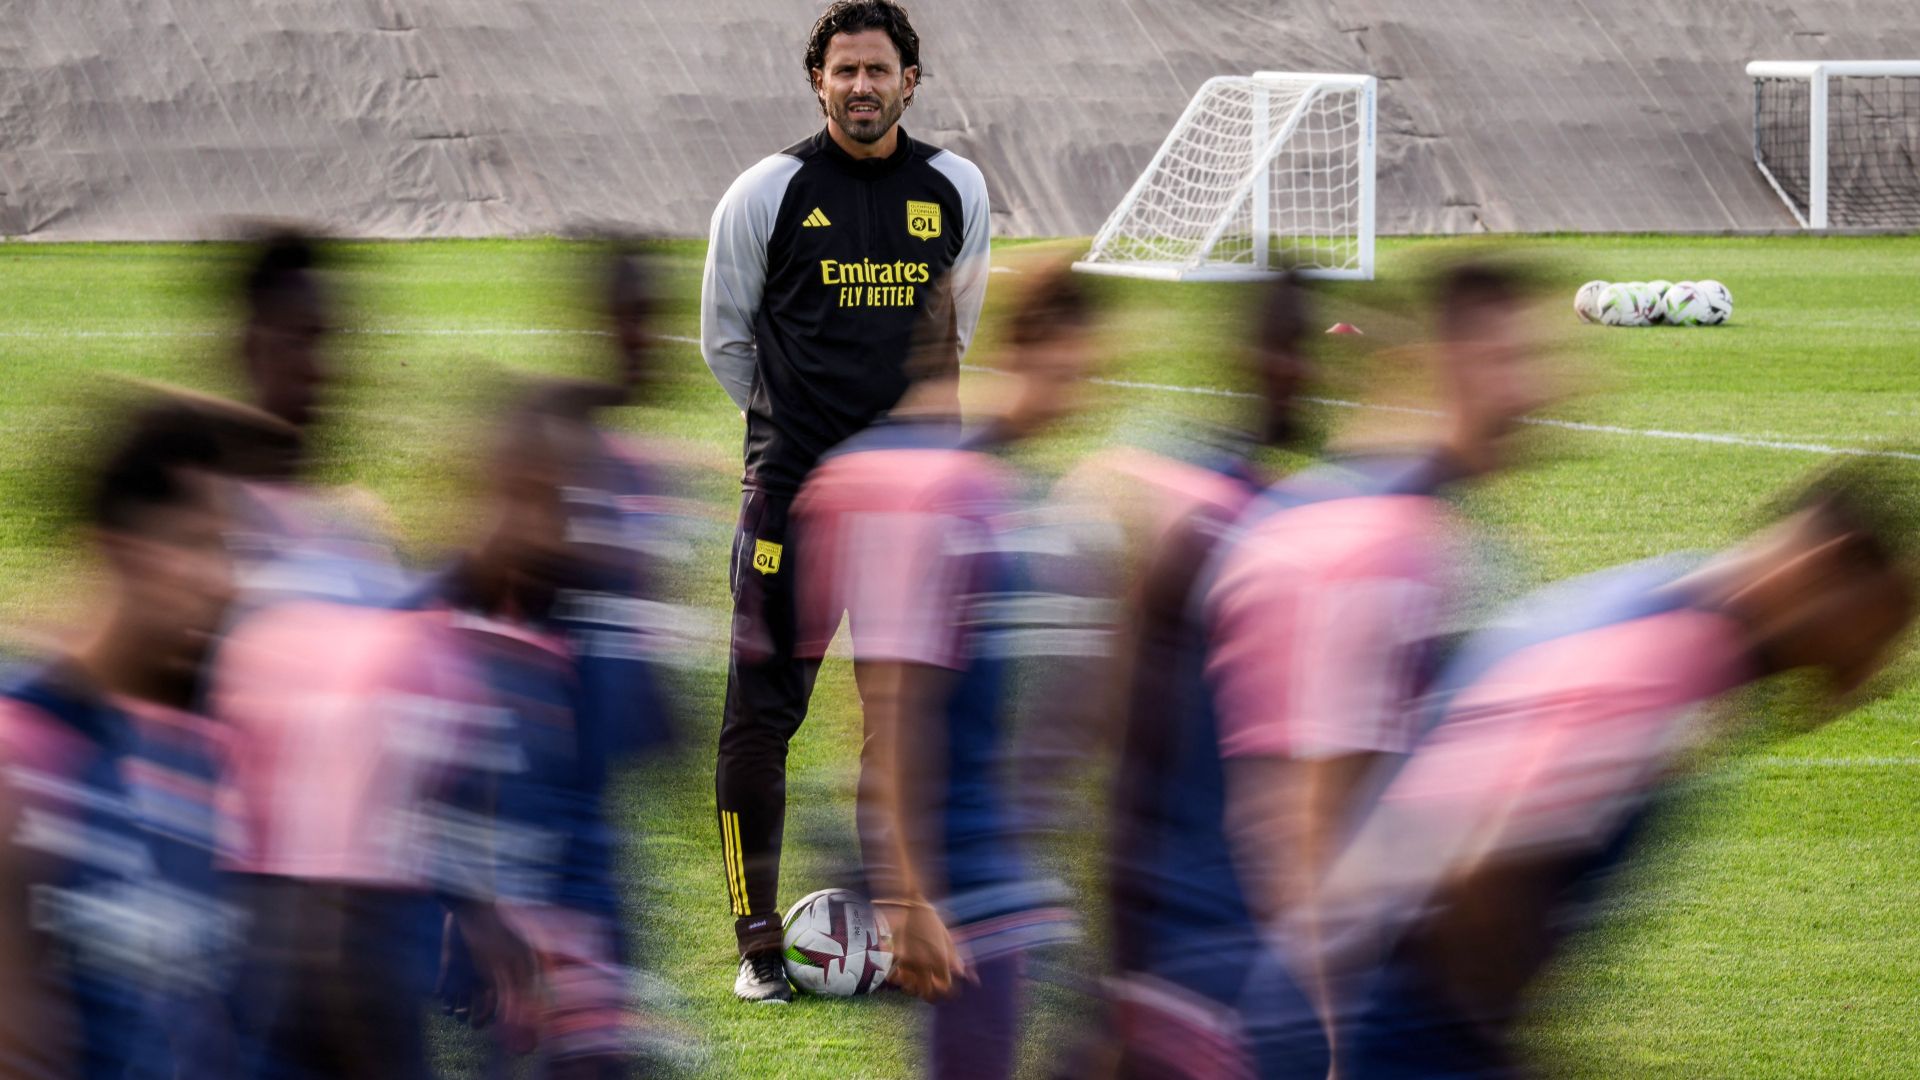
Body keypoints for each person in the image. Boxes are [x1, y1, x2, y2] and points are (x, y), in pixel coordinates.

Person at [1313, 472, 1916, 1078]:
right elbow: (1475, 880)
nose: (1870, 676)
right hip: (1407, 1039)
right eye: (1881, 628)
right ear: (1827, 566)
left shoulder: (1657, 596)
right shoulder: (1669, 661)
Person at [699, 0, 992, 1001]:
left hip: (916, 516)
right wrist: (801, 439)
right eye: (843, 72)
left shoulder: (955, 189)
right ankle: (756, 944)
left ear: (913, 79)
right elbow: (727, 342)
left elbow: (959, 335)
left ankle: (901, 920)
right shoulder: (768, 192)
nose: (861, 88)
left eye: (878, 71)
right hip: (791, 505)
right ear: (816, 82)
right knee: (763, 716)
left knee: (903, 719)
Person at [790, 271, 1088, 1076]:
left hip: (994, 856)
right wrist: (904, 893)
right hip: (957, 872)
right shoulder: (916, 485)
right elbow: (893, 704)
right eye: (1075, 365)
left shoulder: (985, 481)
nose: (1083, 390)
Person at [0, 403, 253, 1078]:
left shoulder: (197, 759)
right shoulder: (21, 763)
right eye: (196, 544)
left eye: (232, 549)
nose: (225, 581)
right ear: (117, 548)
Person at [222, 228, 408, 611]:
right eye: (298, 341)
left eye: (328, 342)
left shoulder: (362, 527)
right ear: (250, 348)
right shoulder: (201, 532)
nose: (321, 369)